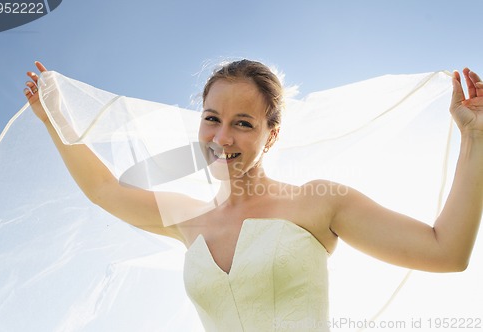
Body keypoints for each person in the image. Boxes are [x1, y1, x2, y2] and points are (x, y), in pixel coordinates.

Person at [24, 60, 483, 331]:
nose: (222, 137)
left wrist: (475, 139)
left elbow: (446, 251)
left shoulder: (321, 202)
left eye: (243, 123)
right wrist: (57, 122)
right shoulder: (187, 217)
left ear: (272, 135)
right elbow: (105, 190)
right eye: (211, 118)